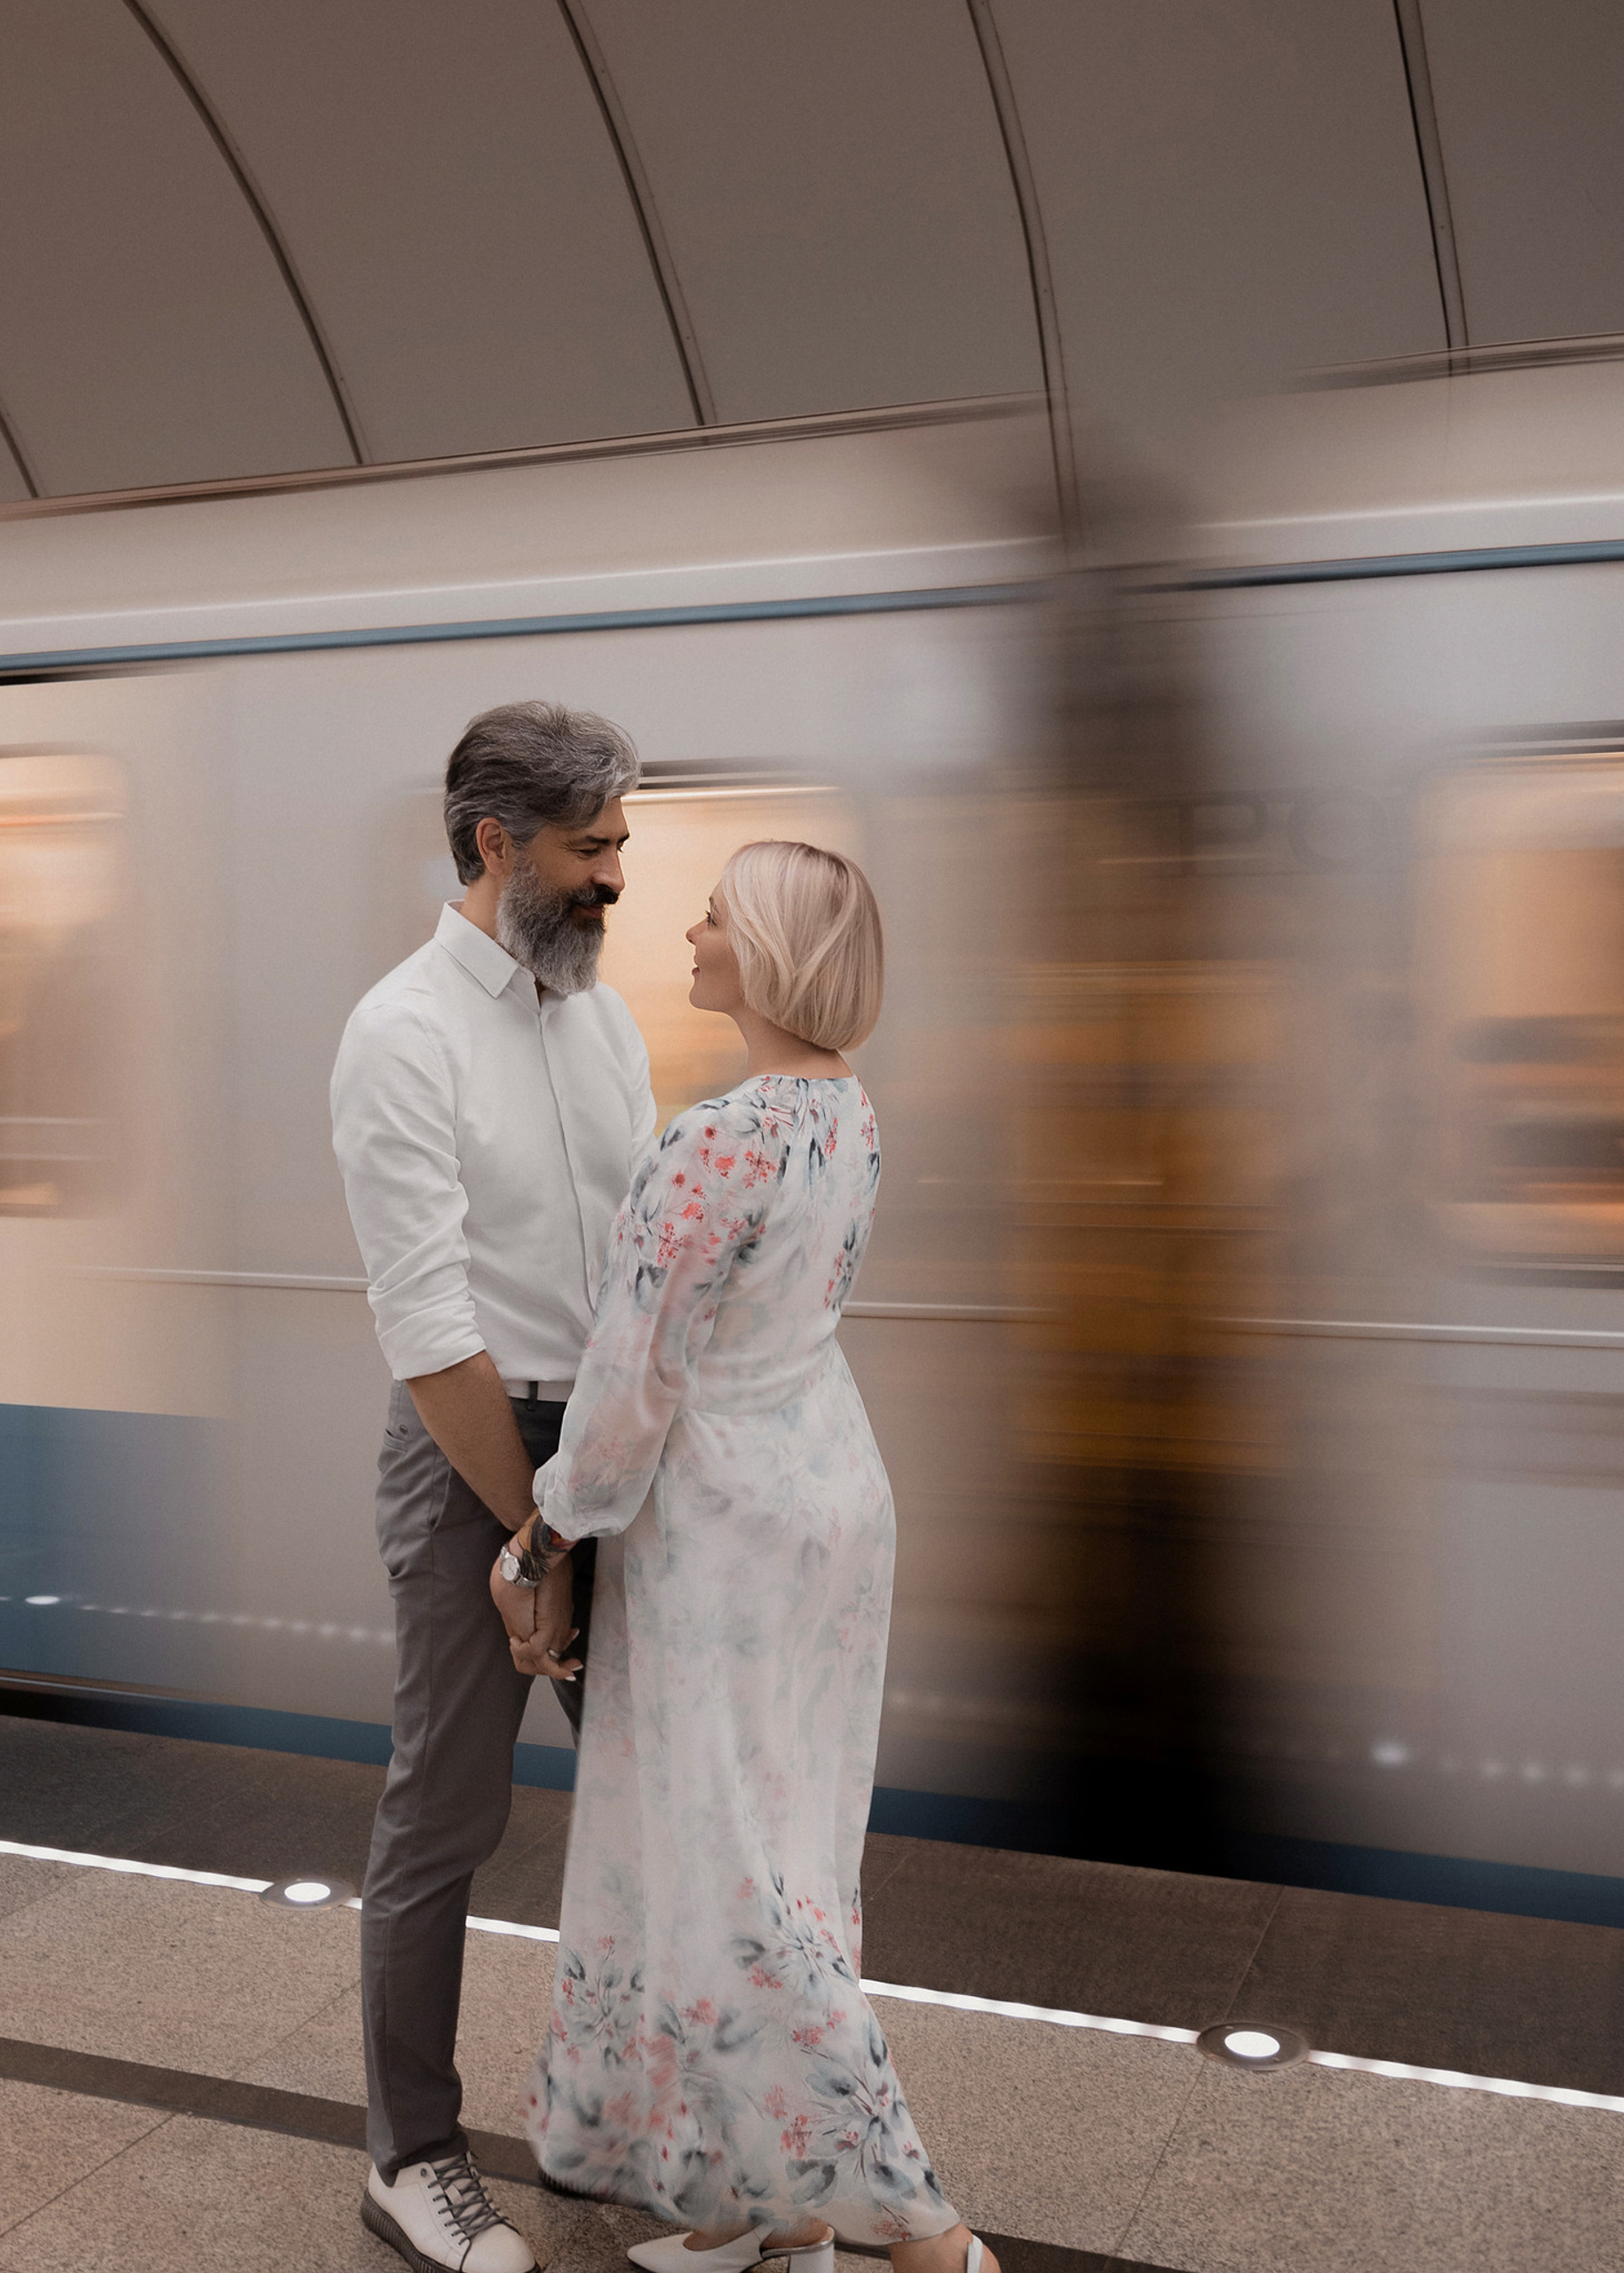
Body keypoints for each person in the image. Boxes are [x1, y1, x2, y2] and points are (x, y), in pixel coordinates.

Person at [493, 842, 999, 2273]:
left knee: (729, 1873)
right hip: (830, 1500)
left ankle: (918, 2225)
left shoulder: (717, 1137)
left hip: (721, 1531)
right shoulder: (850, 1114)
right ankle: (761, 2215)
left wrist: (542, 1532)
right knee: (788, 1848)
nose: (696, 929)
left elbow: (634, 1376)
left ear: (767, 955)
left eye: (720, 913)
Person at [331, 701, 658, 2273]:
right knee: (446, 1819)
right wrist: (532, 1532)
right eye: (591, 848)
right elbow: (429, 1327)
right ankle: (410, 2155)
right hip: (474, 1459)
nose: (616, 878)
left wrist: (603, 1493)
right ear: (494, 845)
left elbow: (645, 1269)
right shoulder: (399, 1032)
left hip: (603, 1461)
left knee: (657, 1811)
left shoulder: (606, 1023)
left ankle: (638, 2141)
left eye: (617, 845)